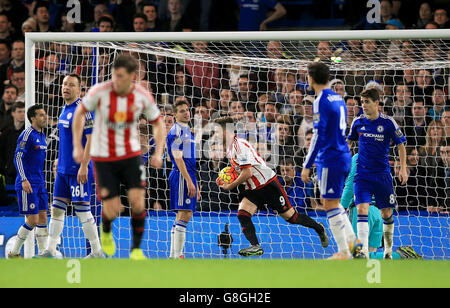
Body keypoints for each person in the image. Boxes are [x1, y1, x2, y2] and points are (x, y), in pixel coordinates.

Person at [72, 54, 166, 260]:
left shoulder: (142, 95)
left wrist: (158, 152)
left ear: (132, 76)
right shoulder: (99, 91)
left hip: (131, 155)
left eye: (121, 76)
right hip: (104, 158)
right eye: (114, 75)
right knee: (113, 209)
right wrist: (77, 146)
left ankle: (136, 250)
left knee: (138, 202)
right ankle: (106, 231)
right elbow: (79, 113)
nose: (116, 80)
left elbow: (158, 123)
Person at [215, 116, 328, 257]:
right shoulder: (231, 148)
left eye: (218, 131)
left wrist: (231, 185)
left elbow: (247, 172)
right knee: (243, 214)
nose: (216, 135)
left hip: (268, 184)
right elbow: (241, 170)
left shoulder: (239, 146)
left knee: (291, 218)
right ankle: (255, 246)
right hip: (254, 188)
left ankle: (319, 228)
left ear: (227, 131)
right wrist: (226, 176)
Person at [37, 74, 103, 259]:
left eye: (71, 85)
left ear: (79, 89)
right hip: (63, 169)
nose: (66, 87)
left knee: (83, 211)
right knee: (57, 209)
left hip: (78, 170)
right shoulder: (64, 109)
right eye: (65, 84)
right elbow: (66, 140)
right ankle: (50, 250)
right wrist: (59, 158)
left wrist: (84, 166)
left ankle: (97, 252)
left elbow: (91, 139)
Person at [300, 61, 357, 260]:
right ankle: (353, 243)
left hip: (330, 157)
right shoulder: (338, 97)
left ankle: (344, 251)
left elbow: (318, 135)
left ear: (311, 78)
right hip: (343, 155)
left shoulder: (321, 100)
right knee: (332, 202)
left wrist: (307, 165)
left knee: (329, 205)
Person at [347, 88, 408, 259]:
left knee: (386, 213)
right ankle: (363, 251)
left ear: (376, 103)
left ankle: (388, 249)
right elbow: (349, 142)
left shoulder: (388, 123)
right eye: (362, 102)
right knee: (362, 209)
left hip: (382, 175)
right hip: (362, 175)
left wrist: (402, 168)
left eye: (367, 102)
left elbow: (401, 145)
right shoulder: (357, 122)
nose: (363, 106)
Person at [8, 105, 48, 258]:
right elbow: (18, 157)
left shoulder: (42, 135)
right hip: (28, 183)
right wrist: (24, 179)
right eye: (41, 115)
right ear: (33, 118)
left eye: (45, 115)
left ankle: (44, 253)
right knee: (32, 220)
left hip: (40, 182)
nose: (45, 117)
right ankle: (14, 252)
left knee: (43, 217)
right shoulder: (27, 134)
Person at [166, 99, 200, 259]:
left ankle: (174, 255)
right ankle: (177, 255)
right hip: (181, 175)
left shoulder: (188, 131)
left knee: (183, 215)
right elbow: (178, 158)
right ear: (174, 114)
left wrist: (195, 182)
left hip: (188, 175)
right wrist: (187, 180)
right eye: (182, 111)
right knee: (184, 213)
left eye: (187, 110)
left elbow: (190, 160)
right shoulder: (176, 131)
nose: (186, 113)